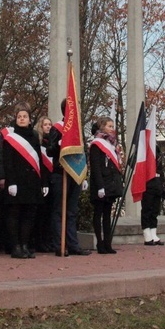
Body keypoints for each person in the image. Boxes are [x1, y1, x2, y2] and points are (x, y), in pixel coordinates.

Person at [0, 102, 47, 259]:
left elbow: (39, 160)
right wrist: (11, 182)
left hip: (32, 181)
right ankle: (15, 246)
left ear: (29, 119)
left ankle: (25, 245)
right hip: (17, 181)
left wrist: (44, 182)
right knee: (15, 214)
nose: (22, 119)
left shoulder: (34, 135)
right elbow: (8, 161)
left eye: (24, 116)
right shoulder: (10, 137)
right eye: (19, 117)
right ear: (15, 118)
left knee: (29, 215)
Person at [48, 98, 91, 256]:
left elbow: (82, 153)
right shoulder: (57, 128)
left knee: (72, 212)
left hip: (75, 174)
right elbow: (49, 151)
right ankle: (60, 245)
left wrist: (84, 175)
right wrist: (59, 144)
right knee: (59, 211)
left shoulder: (78, 130)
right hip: (60, 174)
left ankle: (73, 245)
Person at [89, 116, 124, 254]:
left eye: (112, 126)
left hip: (111, 183)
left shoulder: (112, 144)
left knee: (108, 214)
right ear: (102, 127)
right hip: (101, 184)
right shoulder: (96, 144)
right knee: (98, 213)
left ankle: (108, 243)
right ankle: (100, 242)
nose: (112, 129)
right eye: (109, 126)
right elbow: (96, 166)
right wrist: (100, 186)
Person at [32, 115, 55, 253]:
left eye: (49, 124)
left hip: (52, 180)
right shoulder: (37, 142)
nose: (48, 127)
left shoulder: (51, 142)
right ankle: (38, 241)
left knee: (49, 214)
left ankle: (48, 241)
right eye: (45, 124)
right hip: (41, 181)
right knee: (40, 214)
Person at [142, 148, 165, 245]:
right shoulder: (144, 149)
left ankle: (153, 233)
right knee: (147, 210)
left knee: (155, 211)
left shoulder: (157, 150)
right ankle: (147, 234)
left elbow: (160, 171)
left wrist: (163, 187)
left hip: (157, 185)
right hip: (148, 186)